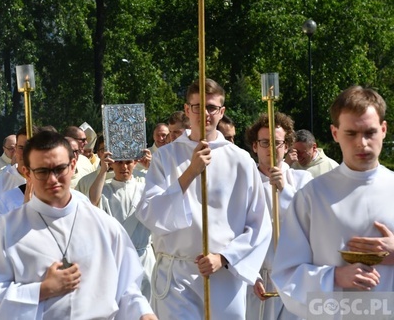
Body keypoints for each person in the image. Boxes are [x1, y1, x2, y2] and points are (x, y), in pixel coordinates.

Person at [0, 131, 157, 320]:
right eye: (42, 171)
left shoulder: (102, 224)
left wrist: (142, 312)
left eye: (59, 169)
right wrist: (41, 290)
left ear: (73, 165)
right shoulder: (9, 229)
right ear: (27, 173)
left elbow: (127, 288)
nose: (52, 179)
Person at [136, 78, 272, 319]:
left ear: (222, 112)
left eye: (211, 107)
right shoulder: (165, 157)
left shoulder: (240, 161)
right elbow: (150, 214)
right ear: (187, 110)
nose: (205, 114)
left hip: (223, 275)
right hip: (177, 276)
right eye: (197, 106)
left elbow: (259, 224)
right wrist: (190, 172)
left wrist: (225, 257)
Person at [271, 86, 394, 319]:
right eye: (351, 133)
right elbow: (286, 275)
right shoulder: (311, 196)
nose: (362, 143)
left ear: (384, 130)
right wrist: (335, 277)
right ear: (335, 133)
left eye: (370, 132)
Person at [244, 112, 312, 320]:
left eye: (277, 143)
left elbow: (311, 223)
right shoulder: (245, 184)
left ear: (287, 146)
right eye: (264, 142)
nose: (271, 149)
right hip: (258, 278)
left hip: (294, 277)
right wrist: (250, 273)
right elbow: (236, 230)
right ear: (255, 146)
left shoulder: (302, 180)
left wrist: (284, 190)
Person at [89, 152, 155, 301]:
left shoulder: (144, 187)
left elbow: (166, 195)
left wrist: (151, 167)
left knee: (148, 302)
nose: (124, 167)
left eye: (128, 162)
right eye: (119, 162)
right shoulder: (105, 190)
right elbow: (93, 200)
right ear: (112, 163)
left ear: (135, 163)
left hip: (143, 255)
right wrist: (102, 170)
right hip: (118, 256)